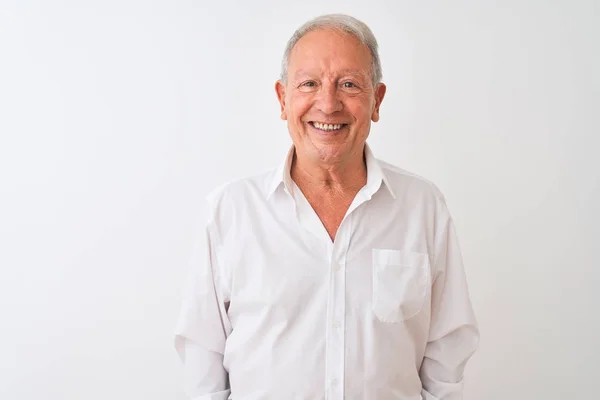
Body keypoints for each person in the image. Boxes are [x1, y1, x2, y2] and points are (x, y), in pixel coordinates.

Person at [175, 13, 479, 400]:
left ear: (376, 100)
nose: (328, 103)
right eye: (309, 84)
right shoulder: (230, 211)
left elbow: (447, 359)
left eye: (349, 84)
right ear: (283, 99)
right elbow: (203, 364)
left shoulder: (423, 207)